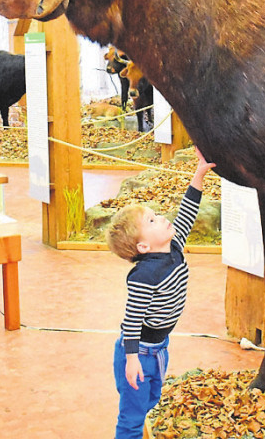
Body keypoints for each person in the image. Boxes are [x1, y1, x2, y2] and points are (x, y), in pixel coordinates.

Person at [106, 147, 215, 439]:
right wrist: (131, 360)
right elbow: (131, 320)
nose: (162, 218)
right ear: (143, 247)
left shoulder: (174, 245)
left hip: (159, 347)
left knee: (151, 401)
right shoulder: (144, 276)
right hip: (138, 353)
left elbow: (188, 211)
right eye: (152, 221)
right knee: (131, 416)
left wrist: (199, 172)